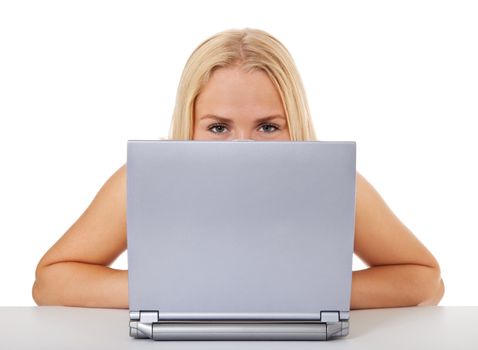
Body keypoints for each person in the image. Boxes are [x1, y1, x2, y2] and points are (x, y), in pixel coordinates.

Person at [32, 28, 445, 309]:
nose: (243, 147)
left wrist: (295, 292)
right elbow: (49, 282)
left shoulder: (333, 183)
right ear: (189, 124)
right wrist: (185, 292)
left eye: (268, 127)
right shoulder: (144, 180)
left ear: (293, 123)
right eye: (218, 127)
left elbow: (426, 280)